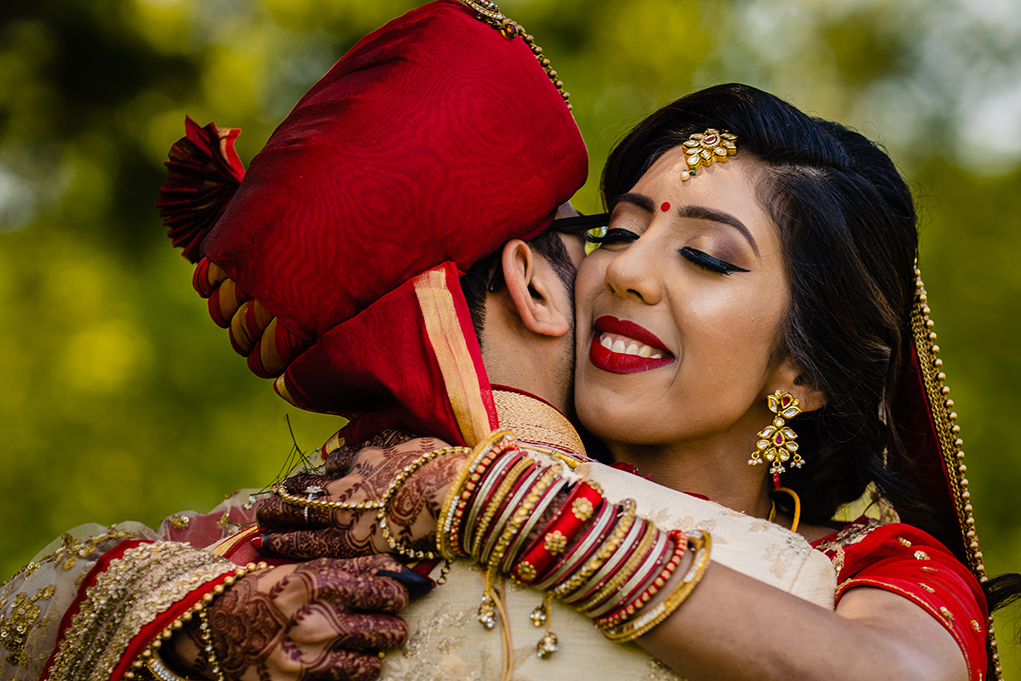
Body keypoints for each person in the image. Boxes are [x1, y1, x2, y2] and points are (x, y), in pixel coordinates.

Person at [258, 83, 1020, 681]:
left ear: (805, 370)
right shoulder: (420, 478)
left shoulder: (869, 566)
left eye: (708, 257)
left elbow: (895, 672)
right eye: (617, 232)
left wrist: (521, 516)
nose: (624, 270)